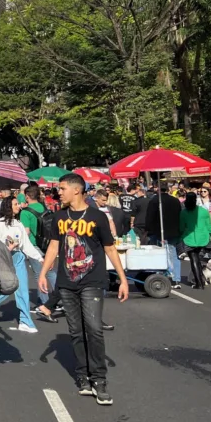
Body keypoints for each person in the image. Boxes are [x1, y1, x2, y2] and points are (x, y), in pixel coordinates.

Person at [39, 174, 129, 406]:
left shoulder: (97, 216)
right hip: (66, 283)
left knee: (94, 329)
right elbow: (54, 246)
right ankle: (83, 377)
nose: (58, 192)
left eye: (62, 188)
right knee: (76, 331)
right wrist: (43, 273)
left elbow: (110, 249)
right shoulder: (60, 216)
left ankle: (99, 379)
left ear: (76, 190)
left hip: (92, 281)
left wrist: (122, 279)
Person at [0, 196, 41, 333]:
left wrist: (39, 258)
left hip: (18, 257)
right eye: (15, 204)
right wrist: (7, 249)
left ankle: (26, 321)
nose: (18, 206)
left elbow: (26, 245)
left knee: (22, 288)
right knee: (7, 288)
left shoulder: (18, 224)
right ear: (8, 206)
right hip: (4, 259)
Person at [147, 186, 183, 288]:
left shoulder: (154, 200)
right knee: (174, 254)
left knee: (160, 254)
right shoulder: (175, 201)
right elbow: (179, 214)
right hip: (173, 230)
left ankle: (164, 276)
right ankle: (176, 278)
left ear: (158, 190)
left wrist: (148, 229)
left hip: (158, 231)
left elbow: (150, 216)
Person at [180, 192, 211, 289]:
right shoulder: (203, 211)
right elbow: (209, 225)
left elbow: (181, 227)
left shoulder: (184, 212)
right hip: (203, 238)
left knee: (194, 259)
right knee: (198, 259)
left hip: (189, 238)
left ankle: (199, 283)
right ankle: (201, 280)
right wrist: (210, 233)